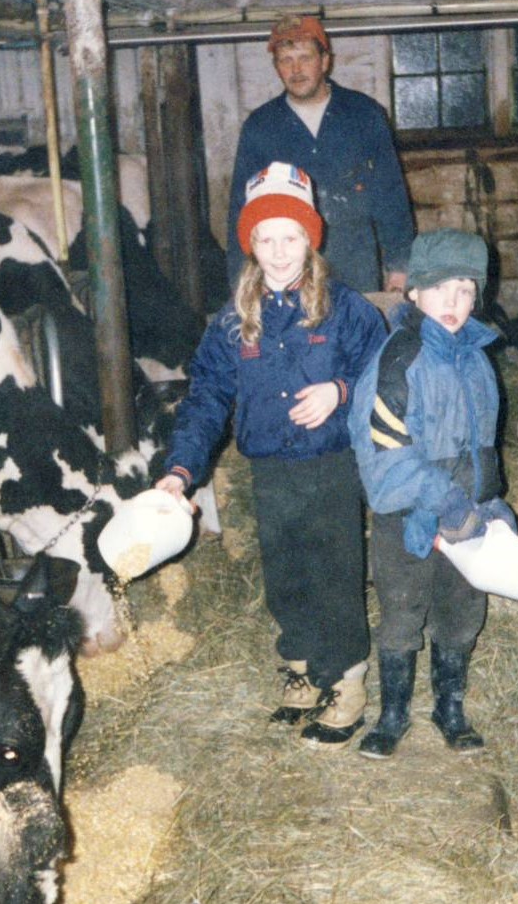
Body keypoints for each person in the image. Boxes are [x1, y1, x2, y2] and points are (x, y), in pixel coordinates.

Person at [156, 161, 388, 748]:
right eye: (266, 237)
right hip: (269, 468)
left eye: (291, 236)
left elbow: (386, 373)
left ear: (311, 238)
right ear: (250, 243)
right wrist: (180, 470)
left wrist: (340, 391)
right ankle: (303, 666)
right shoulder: (234, 323)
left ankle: (348, 677)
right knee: (285, 570)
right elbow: (206, 395)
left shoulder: (347, 309)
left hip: (332, 465)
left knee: (336, 570)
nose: (280, 251)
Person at [347, 228, 512, 760]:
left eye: (465, 289)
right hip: (408, 515)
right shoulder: (398, 361)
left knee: (461, 609)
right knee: (401, 611)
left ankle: (450, 708)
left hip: (466, 516)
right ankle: (392, 714)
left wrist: (491, 502)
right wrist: (444, 498)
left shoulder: (477, 359)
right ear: (412, 292)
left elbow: (486, 443)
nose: (453, 302)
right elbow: (385, 457)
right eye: (440, 288)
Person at [225, 15, 415, 295]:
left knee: (355, 335)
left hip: (356, 261)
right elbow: (241, 209)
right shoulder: (260, 127)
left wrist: (400, 264)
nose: (296, 69)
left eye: (305, 57)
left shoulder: (364, 114)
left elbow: (390, 193)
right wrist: (244, 281)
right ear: (276, 67)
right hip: (287, 266)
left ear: (325, 61)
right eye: (286, 60)